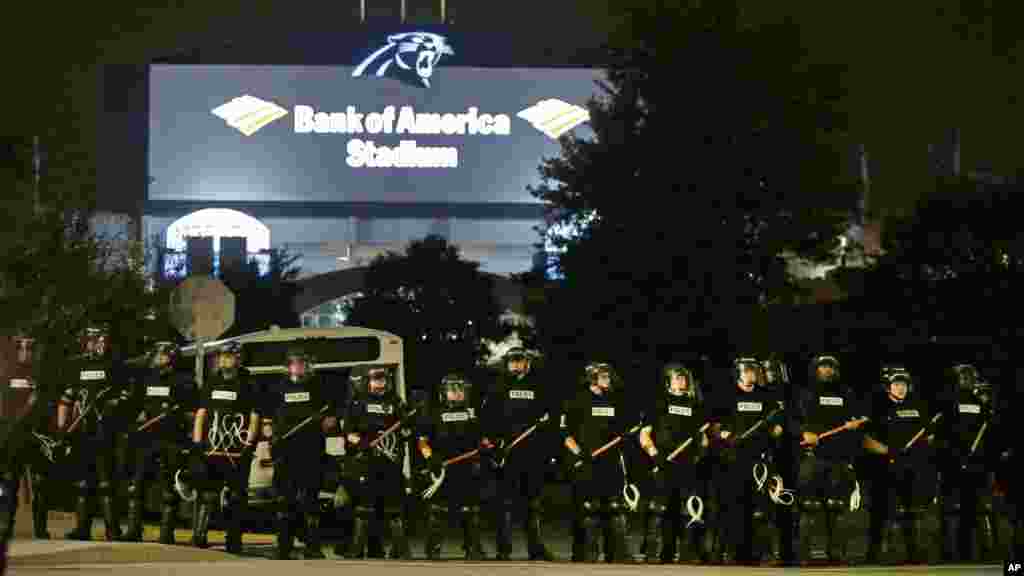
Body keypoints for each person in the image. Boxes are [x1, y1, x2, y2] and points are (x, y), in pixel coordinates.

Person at [479, 347, 555, 561]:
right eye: (511, 361)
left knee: (533, 504)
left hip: (532, 454)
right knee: (504, 504)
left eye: (519, 361)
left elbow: (549, 419)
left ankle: (536, 549)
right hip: (506, 453)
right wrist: (491, 443)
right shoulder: (497, 387)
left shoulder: (540, 387)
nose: (515, 364)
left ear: (527, 363)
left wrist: (547, 449)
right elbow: (486, 419)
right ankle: (504, 550)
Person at [709, 357, 785, 565]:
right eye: (747, 371)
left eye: (754, 370)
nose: (751, 374)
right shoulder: (726, 395)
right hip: (732, 458)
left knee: (760, 510)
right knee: (731, 507)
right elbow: (715, 426)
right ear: (739, 373)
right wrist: (728, 437)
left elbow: (778, 426)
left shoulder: (766, 397)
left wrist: (773, 433)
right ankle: (724, 553)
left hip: (759, 460)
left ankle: (759, 554)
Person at [118, 341, 196, 543]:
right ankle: (134, 529)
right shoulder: (147, 378)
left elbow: (192, 413)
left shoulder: (185, 381)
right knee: (137, 485)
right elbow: (140, 406)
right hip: (147, 439)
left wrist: (179, 421)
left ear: (171, 358)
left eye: (160, 355)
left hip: (172, 440)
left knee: (168, 490)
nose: (155, 359)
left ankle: (166, 532)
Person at [186, 342, 260, 553]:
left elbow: (254, 416)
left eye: (228, 356)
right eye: (221, 356)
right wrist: (198, 441)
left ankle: (234, 539)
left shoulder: (249, 383)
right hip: (211, 448)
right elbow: (202, 413)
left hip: (237, 449)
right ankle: (199, 535)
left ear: (239, 358)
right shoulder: (212, 382)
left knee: (236, 496)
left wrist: (248, 445)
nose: (224, 360)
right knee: (207, 493)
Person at [58, 326, 130, 541]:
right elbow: (66, 398)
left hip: (106, 430)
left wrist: (114, 404)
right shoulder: (76, 365)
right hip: (81, 431)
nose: (97, 344)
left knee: (106, 481)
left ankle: (112, 530)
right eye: (92, 341)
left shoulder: (114, 365)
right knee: (82, 483)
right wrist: (63, 428)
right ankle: (82, 529)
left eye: (100, 340)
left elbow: (126, 393)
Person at [562, 362, 637, 563]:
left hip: (611, 462)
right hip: (586, 462)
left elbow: (623, 430)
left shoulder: (615, 400)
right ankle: (586, 554)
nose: (608, 380)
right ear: (592, 378)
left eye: (608, 377)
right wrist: (579, 453)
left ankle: (617, 554)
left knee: (614, 507)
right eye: (603, 377)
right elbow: (565, 432)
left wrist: (625, 437)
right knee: (589, 508)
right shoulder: (577, 400)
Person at [796, 355, 868, 564]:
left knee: (836, 506)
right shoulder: (805, 393)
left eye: (830, 367)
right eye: (823, 367)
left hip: (839, 457)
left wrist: (855, 424)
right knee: (810, 506)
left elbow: (857, 419)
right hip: (813, 456)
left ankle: (836, 553)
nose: (827, 370)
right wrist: (803, 433)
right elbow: (792, 420)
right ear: (816, 370)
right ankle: (807, 554)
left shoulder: (847, 393)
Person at [863, 365, 938, 564]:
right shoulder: (876, 406)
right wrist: (887, 451)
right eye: (896, 384)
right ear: (888, 387)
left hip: (911, 467)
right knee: (881, 511)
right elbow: (866, 439)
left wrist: (922, 446)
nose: (901, 388)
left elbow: (928, 436)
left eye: (903, 384)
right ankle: (876, 554)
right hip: (883, 466)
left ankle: (913, 553)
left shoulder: (917, 406)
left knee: (910, 510)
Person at [639, 362, 711, 563]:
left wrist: (701, 453)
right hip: (663, 461)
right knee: (660, 509)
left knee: (687, 509)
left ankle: (688, 553)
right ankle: (655, 553)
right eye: (677, 377)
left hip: (687, 464)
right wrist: (654, 455)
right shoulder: (659, 402)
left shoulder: (695, 405)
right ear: (668, 381)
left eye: (684, 378)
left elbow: (703, 436)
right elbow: (644, 434)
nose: (682, 381)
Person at [266, 347, 335, 559]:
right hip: (285, 452)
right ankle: (283, 547)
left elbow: (331, 419)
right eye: (295, 363)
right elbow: (267, 421)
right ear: (288, 366)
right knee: (284, 501)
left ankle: (312, 547)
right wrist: (272, 438)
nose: (299, 366)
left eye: (302, 363)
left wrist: (323, 423)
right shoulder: (277, 389)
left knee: (310, 501)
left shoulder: (318, 387)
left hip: (311, 451)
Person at [340, 365, 411, 559]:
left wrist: (407, 429)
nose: (380, 383)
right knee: (364, 508)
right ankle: (356, 550)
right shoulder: (357, 403)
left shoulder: (396, 402)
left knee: (393, 509)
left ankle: (400, 551)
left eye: (383, 379)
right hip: (365, 462)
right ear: (367, 382)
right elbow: (347, 433)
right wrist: (361, 442)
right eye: (376, 379)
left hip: (391, 462)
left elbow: (407, 431)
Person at [418, 373, 487, 560]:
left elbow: (484, 439)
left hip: (468, 467)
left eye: (460, 390)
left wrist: (486, 447)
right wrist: (430, 458)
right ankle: (433, 550)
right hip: (442, 468)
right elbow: (422, 442)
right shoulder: (433, 413)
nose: (457, 394)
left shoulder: (474, 413)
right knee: (438, 510)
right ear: (443, 393)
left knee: (470, 510)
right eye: (452, 390)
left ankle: (473, 548)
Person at [937, 363, 998, 563]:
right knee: (950, 511)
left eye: (969, 376)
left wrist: (980, 458)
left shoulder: (981, 403)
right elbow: (942, 434)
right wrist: (954, 454)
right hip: (953, 464)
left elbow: (987, 435)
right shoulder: (948, 402)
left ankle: (975, 554)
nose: (966, 380)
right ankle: (948, 555)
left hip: (976, 465)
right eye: (963, 376)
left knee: (974, 511)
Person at [1, 337, 52, 541]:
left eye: (29, 348)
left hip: (36, 436)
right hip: (12, 436)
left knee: (40, 483)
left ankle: (40, 530)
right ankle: (7, 527)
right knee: (10, 483)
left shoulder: (41, 375)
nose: (25, 352)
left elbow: (48, 405)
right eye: (21, 348)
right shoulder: (6, 374)